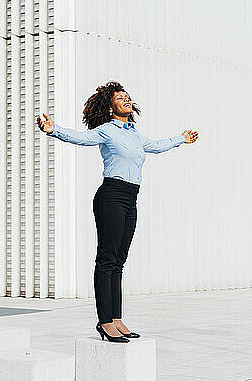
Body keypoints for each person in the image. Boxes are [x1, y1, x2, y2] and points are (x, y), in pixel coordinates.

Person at [37, 80, 198, 343]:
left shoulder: (134, 134)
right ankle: (104, 321)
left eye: (127, 96)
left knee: (119, 261)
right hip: (111, 195)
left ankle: (117, 317)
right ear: (111, 108)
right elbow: (81, 137)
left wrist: (181, 139)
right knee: (107, 259)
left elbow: (156, 146)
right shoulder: (106, 131)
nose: (126, 99)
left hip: (130, 198)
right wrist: (54, 130)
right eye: (120, 97)